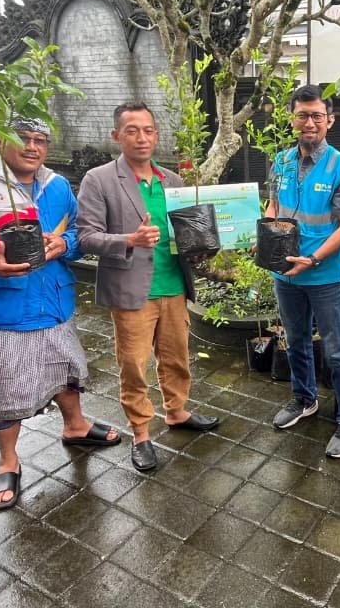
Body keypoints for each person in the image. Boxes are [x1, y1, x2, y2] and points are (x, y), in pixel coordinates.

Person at [0, 118, 120, 511]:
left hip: (54, 300)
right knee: (5, 383)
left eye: (40, 140)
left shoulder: (56, 185)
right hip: (1, 306)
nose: (32, 147)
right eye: (23, 138)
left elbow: (79, 231)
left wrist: (64, 244)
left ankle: (76, 426)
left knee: (67, 367)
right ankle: (7, 460)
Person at [76, 101, 219, 473]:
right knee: (134, 366)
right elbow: (86, 237)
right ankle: (141, 432)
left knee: (176, 358)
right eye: (132, 131)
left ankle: (177, 411)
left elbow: (185, 233)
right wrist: (130, 239)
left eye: (148, 130)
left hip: (174, 285)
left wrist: (204, 245)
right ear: (116, 136)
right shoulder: (99, 179)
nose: (142, 138)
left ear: (156, 135)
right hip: (131, 291)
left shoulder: (172, 181)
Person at [266, 84, 340, 458]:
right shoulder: (281, 162)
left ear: (330, 121)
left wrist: (314, 259)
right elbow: (273, 205)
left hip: (324, 275)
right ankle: (304, 399)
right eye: (302, 115)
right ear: (293, 119)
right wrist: (266, 235)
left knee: (337, 350)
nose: (309, 122)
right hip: (285, 273)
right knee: (295, 341)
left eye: (317, 116)